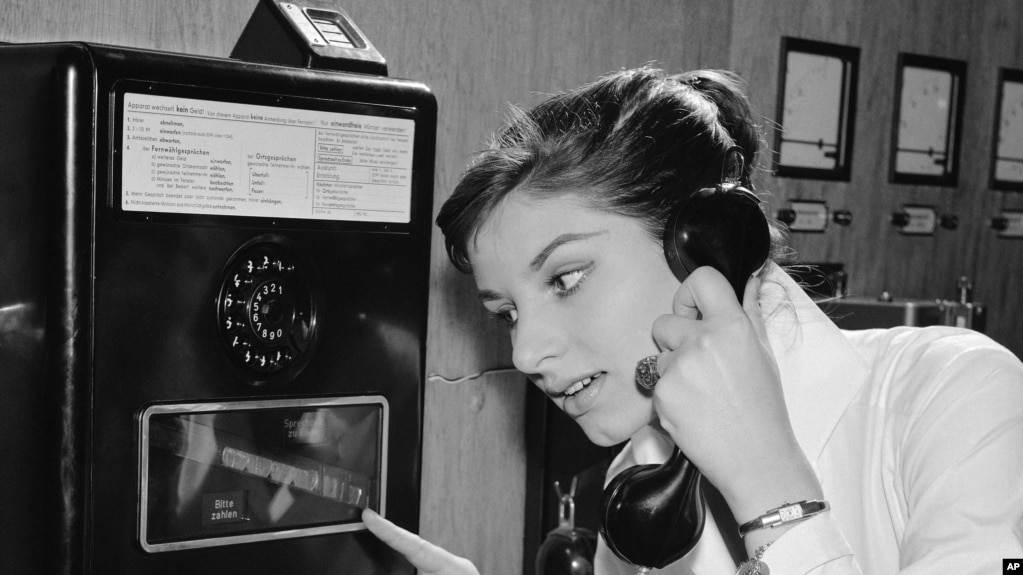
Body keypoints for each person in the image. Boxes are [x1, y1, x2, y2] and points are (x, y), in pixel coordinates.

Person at [361, 65, 1023, 574]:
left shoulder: (961, 394)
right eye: (506, 313)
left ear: (706, 243)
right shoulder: (641, 480)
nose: (527, 351)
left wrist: (769, 491)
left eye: (564, 278)